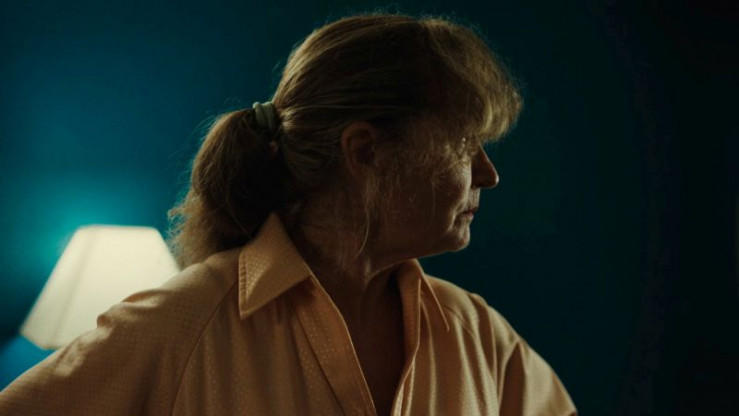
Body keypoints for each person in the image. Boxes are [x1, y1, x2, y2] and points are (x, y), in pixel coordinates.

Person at [0, 13, 576, 416]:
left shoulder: (479, 336)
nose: (487, 174)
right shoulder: (181, 327)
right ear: (365, 151)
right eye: (463, 144)